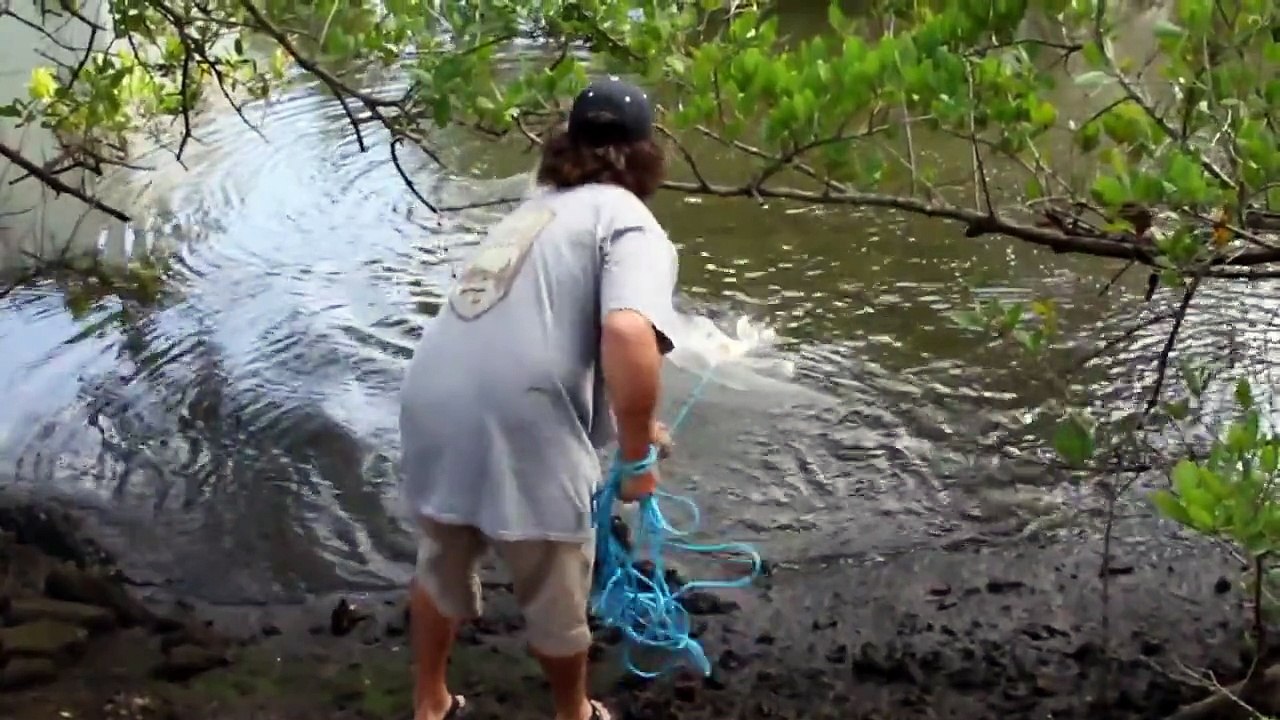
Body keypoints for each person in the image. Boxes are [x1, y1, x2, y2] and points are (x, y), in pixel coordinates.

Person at [397, 75, 680, 720]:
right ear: (646, 156)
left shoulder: (531, 212)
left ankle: (430, 701)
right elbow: (626, 331)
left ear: (564, 145)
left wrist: (636, 427)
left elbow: (534, 328)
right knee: (555, 576)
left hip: (432, 392)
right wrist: (636, 459)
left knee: (441, 559)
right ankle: (573, 711)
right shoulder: (630, 221)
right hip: (520, 412)